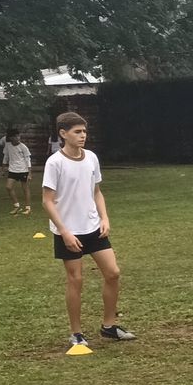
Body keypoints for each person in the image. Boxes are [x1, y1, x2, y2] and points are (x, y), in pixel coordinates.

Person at [41, 112, 134, 351]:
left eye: (84, 131)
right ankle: (76, 333)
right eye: (77, 132)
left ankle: (109, 326)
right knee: (76, 280)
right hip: (68, 231)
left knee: (113, 273)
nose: (83, 136)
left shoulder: (91, 157)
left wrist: (104, 218)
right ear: (63, 134)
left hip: (93, 227)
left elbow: (96, 192)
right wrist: (64, 232)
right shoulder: (55, 162)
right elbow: (47, 201)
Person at [0, 129, 32, 215]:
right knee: (8, 187)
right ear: (11, 138)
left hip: (23, 170)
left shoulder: (23, 147)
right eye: (15, 136)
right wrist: (2, 169)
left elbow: (28, 159)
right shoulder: (8, 146)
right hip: (12, 170)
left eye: (18, 136)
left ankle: (28, 208)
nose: (18, 138)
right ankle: (17, 206)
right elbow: (5, 157)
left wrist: (29, 173)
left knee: (25, 189)